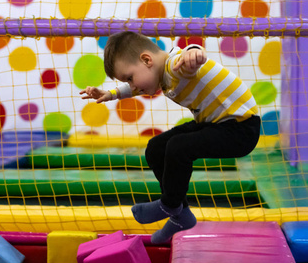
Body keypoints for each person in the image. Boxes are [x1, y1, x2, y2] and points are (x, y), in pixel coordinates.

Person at [80, 31, 261, 244]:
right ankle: (180, 214)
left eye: (130, 77)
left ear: (147, 60)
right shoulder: (161, 74)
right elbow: (135, 87)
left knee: (178, 146)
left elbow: (192, 57)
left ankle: (169, 204)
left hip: (241, 128)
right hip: (216, 124)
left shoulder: (176, 66)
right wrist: (111, 94)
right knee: (156, 147)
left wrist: (194, 53)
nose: (133, 85)